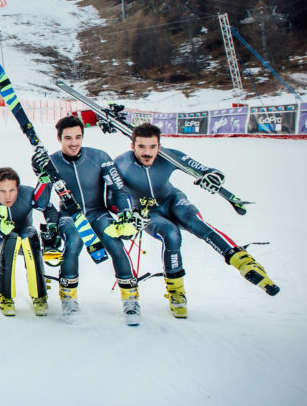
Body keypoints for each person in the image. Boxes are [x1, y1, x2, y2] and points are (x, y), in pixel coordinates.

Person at [113, 123, 279, 318]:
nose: (147, 152)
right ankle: (176, 292)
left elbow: (205, 170)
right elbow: (112, 197)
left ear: (159, 145)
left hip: (172, 199)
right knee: (171, 235)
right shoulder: (121, 164)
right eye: (141, 147)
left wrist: (213, 177)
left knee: (196, 223)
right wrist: (128, 214)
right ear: (132, 146)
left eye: (152, 147)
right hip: (146, 211)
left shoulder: (169, 155)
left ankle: (245, 263)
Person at [31, 115, 141, 324]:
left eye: (78, 137)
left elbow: (118, 189)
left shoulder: (99, 157)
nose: (74, 143)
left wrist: (125, 212)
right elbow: (40, 203)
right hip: (69, 215)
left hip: (98, 212)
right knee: (73, 241)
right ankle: (69, 298)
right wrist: (43, 176)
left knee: (115, 244)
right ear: (59, 138)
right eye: (68, 138)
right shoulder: (51, 161)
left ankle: (130, 299)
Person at [0, 167, 58, 317]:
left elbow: (48, 207)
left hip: (24, 233)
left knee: (30, 235)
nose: (8, 196)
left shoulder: (27, 193)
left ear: (17, 188)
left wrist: (52, 226)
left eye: (12, 190)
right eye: (2, 191)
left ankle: (40, 294)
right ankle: (4, 295)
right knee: (10, 238)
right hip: (1, 239)